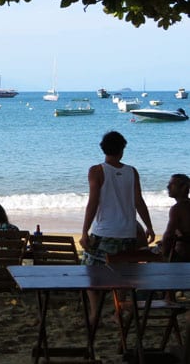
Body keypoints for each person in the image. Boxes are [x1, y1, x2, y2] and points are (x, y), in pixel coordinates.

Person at [79, 131, 155, 320]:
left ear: (103, 148)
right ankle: (118, 311)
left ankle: (95, 311)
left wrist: (84, 231)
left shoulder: (96, 170)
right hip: (128, 232)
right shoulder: (131, 171)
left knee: (88, 273)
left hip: (105, 232)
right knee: (122, 274)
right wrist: (149, 226)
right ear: (122, 150)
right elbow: (139, 201)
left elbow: (93, 202)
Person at [161, 173, 190, 261]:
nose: (168, 187)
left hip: (184, 254)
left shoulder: (178, 208)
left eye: (172, 184)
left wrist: (164, 254)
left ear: (183, 188)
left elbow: (168, 235)